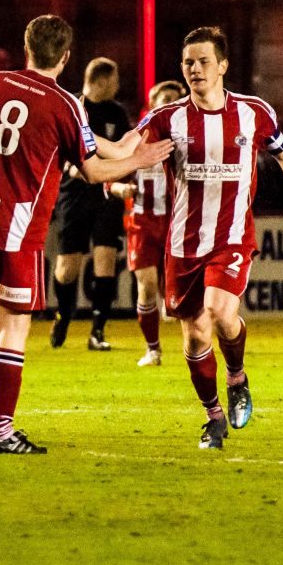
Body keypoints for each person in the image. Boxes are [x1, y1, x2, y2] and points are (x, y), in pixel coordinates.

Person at [0, 16, 172, 454]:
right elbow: (95, 168)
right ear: (64, 57)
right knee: (12, 328)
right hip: (19, 231)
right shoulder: (64, 105)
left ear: (26, 47)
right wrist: (141, 159)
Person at [129, 27, 283, 450]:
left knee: (219, 313)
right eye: (188, 63)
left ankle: (237, 375)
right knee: (195, 335)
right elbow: (128, 148)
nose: (195, 69)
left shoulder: (253, 112)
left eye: (203, 61)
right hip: (182, 245)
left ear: (223, 66)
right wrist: (88, 145)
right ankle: (213, 417)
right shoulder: (167, 118)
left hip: (231, 236)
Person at [48, 57, 132, 351]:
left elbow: (124, 153)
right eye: (114, 80)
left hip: (106, 197)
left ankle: (98, 330)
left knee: (105, 258)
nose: (118, 85)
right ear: (100, 81)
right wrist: (76, 169)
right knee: (67, 268)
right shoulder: (74, 109)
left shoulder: (118, 114)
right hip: (74, 196)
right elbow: (61, 153)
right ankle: (64, 314)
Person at [114, 79, 186, 367]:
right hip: (142, 222)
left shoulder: (186, 140)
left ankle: (194, 346)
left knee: (178, 293)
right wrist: (120, 189)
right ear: (152, 104)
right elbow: (112, 174)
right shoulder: (136, 139)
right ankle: (153, 350)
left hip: (177, 223)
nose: (168, 102)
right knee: (146, 285)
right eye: (163, 98)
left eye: (174, 98)